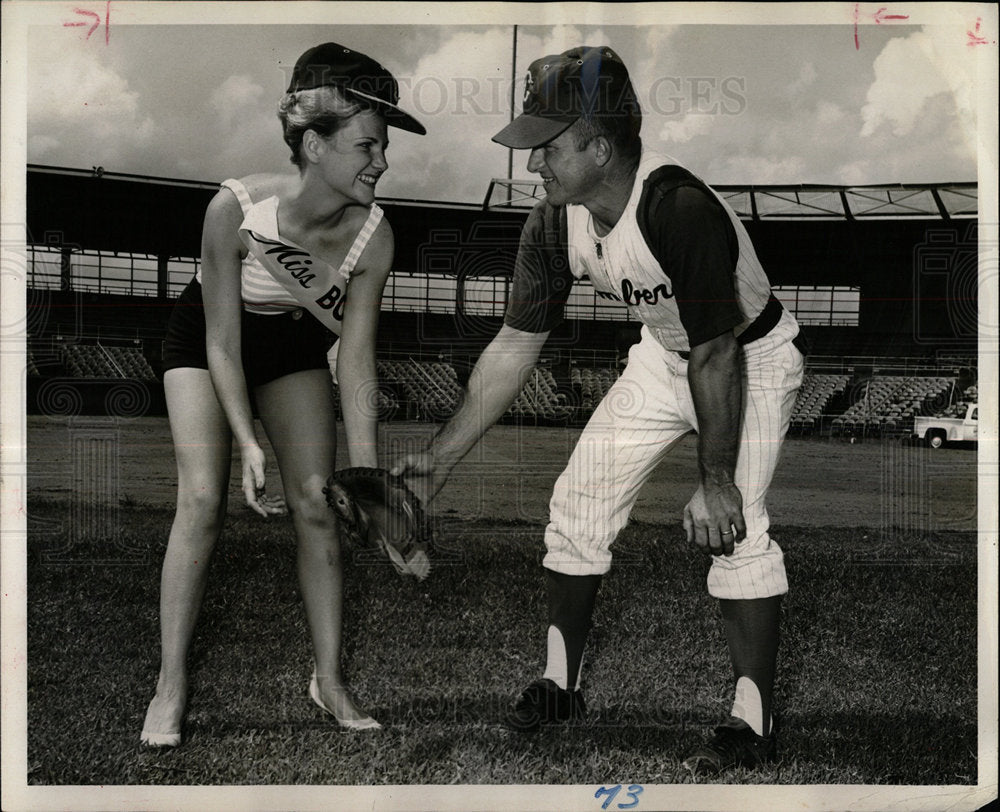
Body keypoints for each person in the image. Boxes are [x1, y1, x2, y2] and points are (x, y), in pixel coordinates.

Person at [394, 45, 805, 774]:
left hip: (750, 356)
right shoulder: (556, 222)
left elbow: (719, 353)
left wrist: (714, 481)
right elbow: (515, 346)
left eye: (546, 148)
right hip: (663, 353)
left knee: (737, 528)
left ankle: (754, 720)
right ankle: (560, 687)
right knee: (577, 505)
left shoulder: (675, 206)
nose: (532, 166)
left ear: (600, 146)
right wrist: (439, 460)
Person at [141, 42, 425, 745]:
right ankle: (170, 687)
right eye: (366, 144)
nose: (381, 162)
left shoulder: (374, 237)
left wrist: (370, 487)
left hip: (293, 350)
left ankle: (328, 683)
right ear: (312, 142)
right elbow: (222, 344)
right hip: (209, 341)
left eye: (383, 146)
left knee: (317, 502)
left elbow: (354, 362)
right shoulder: (235, 208)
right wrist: (245, 441)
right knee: (202, 497)